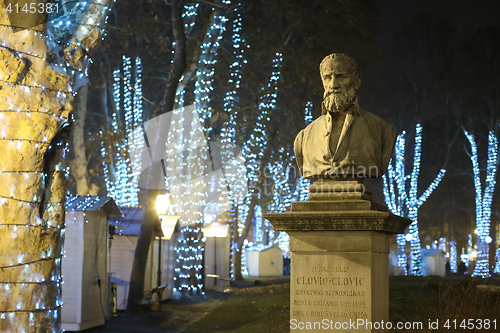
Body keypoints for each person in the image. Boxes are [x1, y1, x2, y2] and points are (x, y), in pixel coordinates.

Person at [294, 53, 398, 179]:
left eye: (341, 77)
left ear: (356, 82)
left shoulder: (382, 131)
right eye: (327, 77)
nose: (333, 85)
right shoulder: (304, 137)